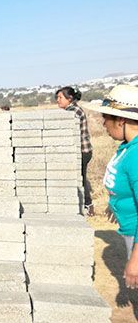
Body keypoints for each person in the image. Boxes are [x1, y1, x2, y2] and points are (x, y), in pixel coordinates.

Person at [85, 84, 138, 290]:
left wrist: (135, 260)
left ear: (121, 120)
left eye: (106, 118)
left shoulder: (136, 155)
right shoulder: (127, 147)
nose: (103, 123)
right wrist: (116, 204)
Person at [56, 86, 95, 216]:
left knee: (81, 178)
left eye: (60, 97)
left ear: (70, 98)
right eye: (57, 97)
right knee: (80, 177)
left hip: (82, 151)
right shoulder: (71, 109)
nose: (58, 100)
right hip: (81, 151)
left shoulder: (73, 111)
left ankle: (88, 205)